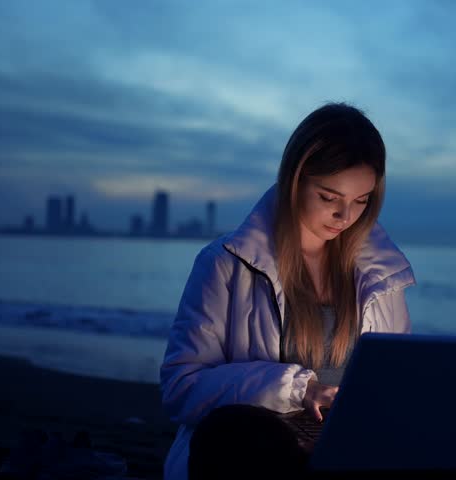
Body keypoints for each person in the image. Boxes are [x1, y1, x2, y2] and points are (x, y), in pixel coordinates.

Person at [160, 102, 416, 480]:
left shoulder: (380, 275)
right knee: (239, 438)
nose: (345, 217)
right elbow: (182, 388)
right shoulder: (225, 263)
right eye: (329, 198)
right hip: (254, 449)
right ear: (295, 180)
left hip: (345, 446)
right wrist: (298, 389)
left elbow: (394, 383)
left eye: (361, 201)